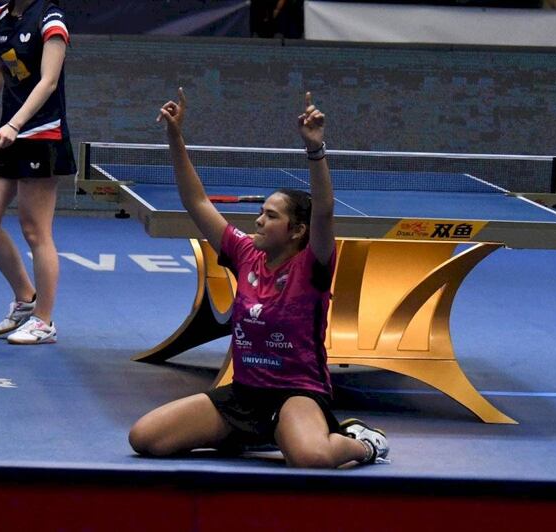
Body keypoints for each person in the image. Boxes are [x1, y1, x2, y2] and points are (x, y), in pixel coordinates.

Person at [128, 89, 390, 468]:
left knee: (311, 457)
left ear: (297, 230)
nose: (259, 220)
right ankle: (248, 434)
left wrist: (315, 150)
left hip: (296, 394)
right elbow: (197, 202)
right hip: (243, 394)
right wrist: (175, 136)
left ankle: (362, 443)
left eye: (271, 216)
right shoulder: (245, 253)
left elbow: (324, 211)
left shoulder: (312, 266)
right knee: (145, 438)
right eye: (261, 212)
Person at [0, 0, 74, 345]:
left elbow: (49, 82)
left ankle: (44, 321)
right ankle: (26, 299)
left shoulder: (51, 20)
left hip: (41, 134)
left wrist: (15, 125)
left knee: (35, 231)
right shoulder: (0, 15)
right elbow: (0, 66)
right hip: (8, 131)